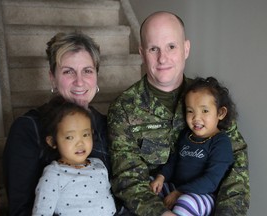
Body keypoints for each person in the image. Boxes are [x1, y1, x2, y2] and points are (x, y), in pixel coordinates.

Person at [107, 11, 250, 216]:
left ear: (186, 48)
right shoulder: (124, 108)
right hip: (154, 207)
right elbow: (128, 179)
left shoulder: (209, 99)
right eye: (153, 48)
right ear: (141, 53)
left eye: (171, 46)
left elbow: (236, 169)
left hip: (204, 203)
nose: (162, 58)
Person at [3, 31, 111, 216]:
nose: (79, 81)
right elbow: (21, 209)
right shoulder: (28, 128)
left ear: (96, 77)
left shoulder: (105, 124)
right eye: (68, 71)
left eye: (87, 71)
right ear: (52, 77)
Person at [150, 77, 235, 216]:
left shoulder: (220, 143)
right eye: (190, 111)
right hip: (176, 188)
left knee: (185, 203)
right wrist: (161, 177)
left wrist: (180, 192)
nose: (196, 118)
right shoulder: (186, 135)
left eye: (205, 111)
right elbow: (173, 161)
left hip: (203, 195)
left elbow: (211, 180)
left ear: (220, 113)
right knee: (150, 186)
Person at [32, 95, 116, 216]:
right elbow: (41, 213)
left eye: (86, 134)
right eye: (70, 137)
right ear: (52, 141)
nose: (80, 142)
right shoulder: (54, 174)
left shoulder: (99, 165)